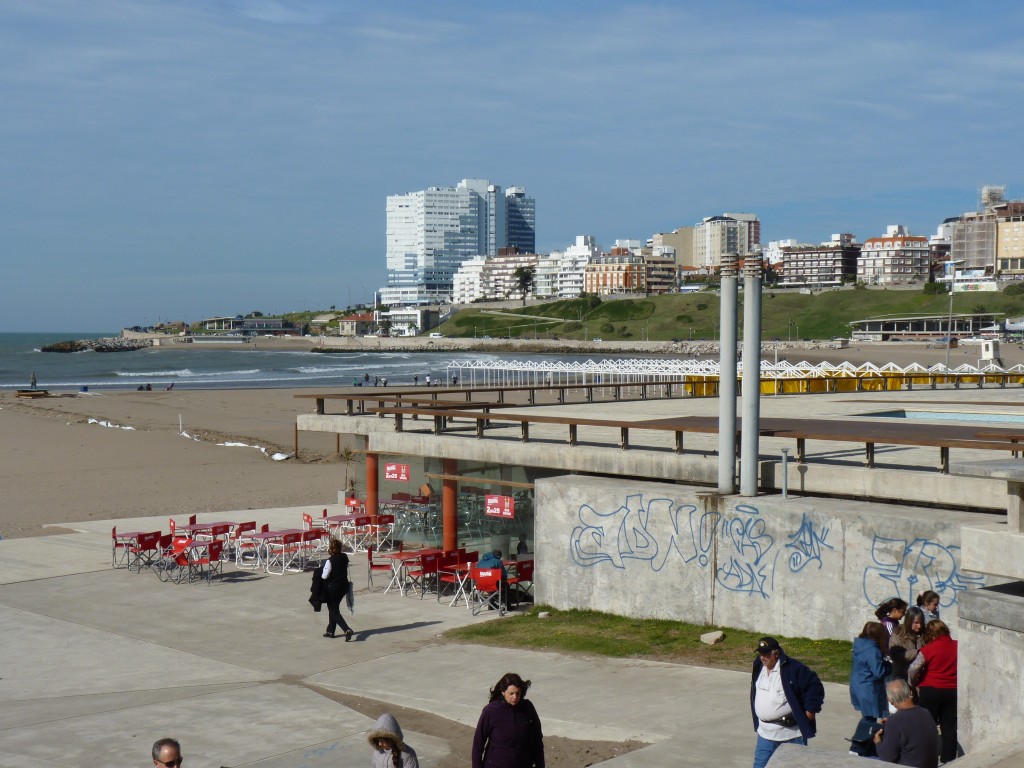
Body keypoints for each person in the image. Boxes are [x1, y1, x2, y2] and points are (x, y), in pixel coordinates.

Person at [750, 636, 825, 768]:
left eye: (766, 653)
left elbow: (814, 685)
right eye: (761, 653)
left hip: (791, 735)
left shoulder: (792, 668)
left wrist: (811, 710)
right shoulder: (759, 665)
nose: (763, 657)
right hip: (765, 734)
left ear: (776, 653)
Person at [472, 672, 544, 768]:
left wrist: (540, 765)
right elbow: (478, 742)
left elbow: (537, 739)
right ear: (503, 692)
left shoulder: (528, 708)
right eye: (511, 693)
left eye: (517, 693)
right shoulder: (491, 711)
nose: (515, 697)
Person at [909, 620, 958, 764]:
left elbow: (913, 668)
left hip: (930, 690)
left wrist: (913, 683)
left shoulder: (928, 649)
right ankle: (948, 759)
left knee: (927, 726)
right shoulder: (958, 646)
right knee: (949, 727)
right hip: (952, 690)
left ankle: (926, 757)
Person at [873, 679, 940, 767]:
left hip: (909, 765)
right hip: (930, 765)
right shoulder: (926, 712)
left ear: (890, 700)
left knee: (867, 759)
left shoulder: (894, 721)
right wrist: (891, 724)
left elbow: (887, 758)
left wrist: (877, 742)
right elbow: (912, 725)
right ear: (911, 693)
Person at [849, 621, 892, 754]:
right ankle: (858, 746)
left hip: (858, 685)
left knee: (867, 717)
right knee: (869, 719)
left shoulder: (860, 645)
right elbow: (878, 672)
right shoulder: (873, 650)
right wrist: (889, 666)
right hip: (868, 688)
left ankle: (867, 745)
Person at [321, 537, 354, 640]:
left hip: (334, 588)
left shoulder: (330, 561)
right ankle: (330, 631)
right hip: (344, 586)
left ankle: (347, 629)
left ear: (330, 549)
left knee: (333, 610)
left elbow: (324, 576)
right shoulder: (344, 557)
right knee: (334, 607)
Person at [889, 607, 926, 682]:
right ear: (909, 621)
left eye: (921, 622)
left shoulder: (924, 634)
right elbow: (895, 655)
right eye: (916, 623)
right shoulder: (898, 634)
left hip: (920, 678)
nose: (919, 626)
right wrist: (917, 652)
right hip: (902, 677)